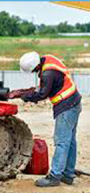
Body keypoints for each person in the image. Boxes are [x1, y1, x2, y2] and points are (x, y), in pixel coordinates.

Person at [19, 51, 82, 187]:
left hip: (66, 106)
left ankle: (55, 176)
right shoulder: (48, 59)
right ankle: (68, 174)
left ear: (35, 67)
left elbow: (42, 94)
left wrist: (24, 96)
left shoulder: (47, 74)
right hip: (74, 102)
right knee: (70, 141)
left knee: (61, 141)